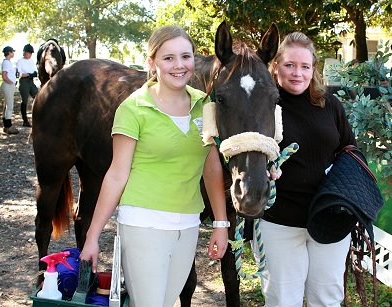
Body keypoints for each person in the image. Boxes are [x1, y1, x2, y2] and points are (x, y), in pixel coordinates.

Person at [80, 25, 229, 307]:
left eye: (185, 57)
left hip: (187, 225)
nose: (179, 65)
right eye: (168, 58)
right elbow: (116, 174)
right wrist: (93, 236)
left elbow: (211, 168)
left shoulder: (204, 106)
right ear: (152, 63)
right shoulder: (134, 108)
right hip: (143, 223)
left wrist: (221, 224)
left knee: (165, 301)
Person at [258, 32, 356, 306]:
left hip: (329, 219)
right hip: (280, 221)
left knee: (326, 298)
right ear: (275, 66)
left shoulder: (329, 105)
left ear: (313, 69)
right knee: (282, 300)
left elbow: (350, 149)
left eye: (305, 66)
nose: (297, 73)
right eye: (289, 65)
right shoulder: (264, 107)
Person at [16, 43, 38, 127]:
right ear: (25, 52)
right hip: (24, 81)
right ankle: (25, 120)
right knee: (24, 101)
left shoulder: (31, 61)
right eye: (29, 53)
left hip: (31, 81)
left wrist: (33, 74)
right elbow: (19, 74)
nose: (30, 55)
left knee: (37, 96)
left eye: (31, 54)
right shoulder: (20, 61)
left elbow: (34, 71)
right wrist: (29, 74)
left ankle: (38, 116)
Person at [0, 46, 19, 134]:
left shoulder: (7, 62)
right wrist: (11, 83)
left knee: (6, 106)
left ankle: (5, 127)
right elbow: (4, 76)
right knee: (10, 107)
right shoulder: (7, 63)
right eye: (12, 52)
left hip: (7, 85)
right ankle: (9, 127)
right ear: (9, 52)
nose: (13, 53)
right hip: (8, 86)